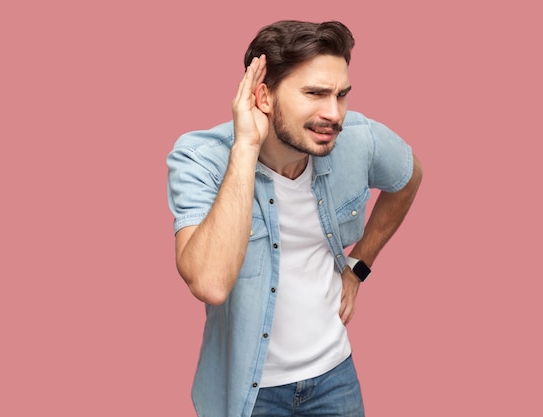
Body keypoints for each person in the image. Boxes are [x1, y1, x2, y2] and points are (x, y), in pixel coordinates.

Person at [167, 19, 423, 417]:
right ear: (263, 96)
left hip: (333, 376)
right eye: (315, 94)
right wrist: (246, 148)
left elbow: (409, 178)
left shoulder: (356, 138)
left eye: (341, 95)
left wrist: (358, 268)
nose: (334, 113)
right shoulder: (201, 158)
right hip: (249, 391)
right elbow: (210, 283)